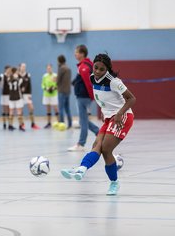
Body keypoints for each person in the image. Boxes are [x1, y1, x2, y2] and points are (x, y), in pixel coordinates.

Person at [61, 53, 136, 195]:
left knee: (106, 149)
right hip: (109, 117)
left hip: (123, 117)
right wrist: (103, 111)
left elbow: (132, 99)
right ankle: (81, 169)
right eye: (96, 68)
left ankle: (114, 183)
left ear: (107, 69)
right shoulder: (91, 78)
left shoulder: (114, 82)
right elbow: (101, 97)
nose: (97, 71)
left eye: (102, 69)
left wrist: (119, 113)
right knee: (96, 145)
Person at [68, 45, 99, 151]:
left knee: (83, 121)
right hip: (83, 96)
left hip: (83, 97)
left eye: (76, 52)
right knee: (83, 120)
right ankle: (99, 133)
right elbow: (80, 79)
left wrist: (92, 96)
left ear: (82, 54)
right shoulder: (84, 65)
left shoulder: (84, 67)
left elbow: (88, 83)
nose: (75, 54)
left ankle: (81, 144)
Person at [19, 63, 40, 129]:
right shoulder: (17, 75)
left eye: (24, 67)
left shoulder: (28, 75)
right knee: (20, 110)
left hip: (27, 94)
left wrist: (30, 94)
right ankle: (21, 124)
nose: (23, 68)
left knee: (31, 108)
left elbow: (28, 84)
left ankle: (33, 124)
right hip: (20, 95)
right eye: (22, 66)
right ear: (20, 67)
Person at [57, 55, 73, 128]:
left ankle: (62, 124)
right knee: (67, 108)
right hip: (68, 91)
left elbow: (58, 80)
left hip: (61, 91)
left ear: (59, 61)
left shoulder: (61, 68)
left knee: (61, 108)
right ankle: (70, 124)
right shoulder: (68, 68)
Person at [42, 64, 59, 128]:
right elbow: (42, 84)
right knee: (48, 109)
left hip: (53, 94)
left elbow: (57, 84)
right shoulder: (45, 76)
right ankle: (49, 123)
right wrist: (46, 88)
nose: (49, 69)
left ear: (52, 68)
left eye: (50, 68)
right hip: (46, 94)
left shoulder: (55, 75)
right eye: (48, 68)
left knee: (55, 108)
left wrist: (54, 88)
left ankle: (58, 122)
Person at [0, 65, 11, 130]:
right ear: (5, 70)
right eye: (8, 69)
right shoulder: (2, 76)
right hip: (4, 94)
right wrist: (0, 86)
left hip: (10, 94)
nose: (9, 70)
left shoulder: (11, 76)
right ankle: (4, 123)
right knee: (4, 109)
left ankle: (10, 124)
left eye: (10, 69)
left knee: (9, 109)